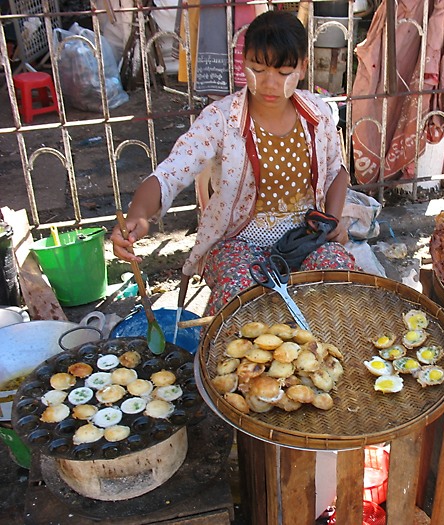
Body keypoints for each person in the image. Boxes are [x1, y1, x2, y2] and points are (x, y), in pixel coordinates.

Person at [111, 9, 357, 315]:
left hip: (303, 239)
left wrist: (331, 221)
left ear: (303, 67)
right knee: (241, 301)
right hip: (237, 243)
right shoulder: (220, 119)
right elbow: (170, 173)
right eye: (258, 69)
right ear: (243, 63)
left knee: (340, 286)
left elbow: (336, 170)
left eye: (283, 72)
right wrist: (138, 214)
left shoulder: (316, 113)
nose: (269, 83)